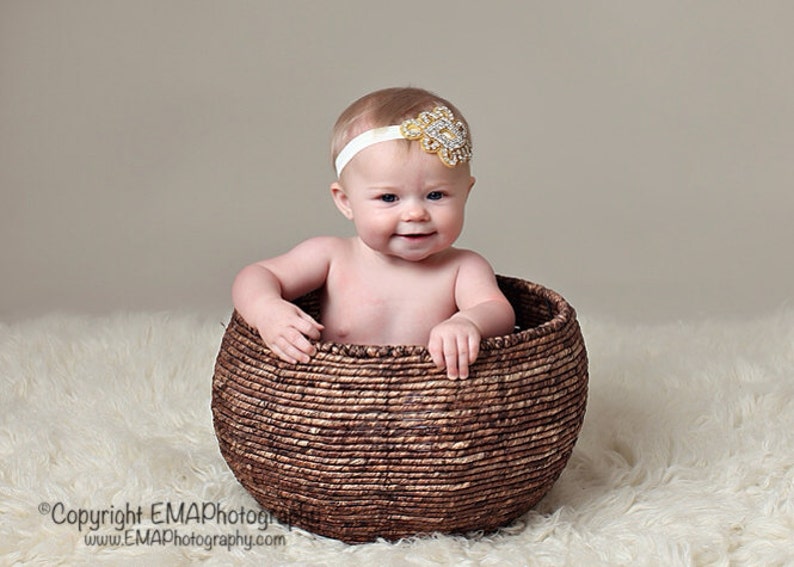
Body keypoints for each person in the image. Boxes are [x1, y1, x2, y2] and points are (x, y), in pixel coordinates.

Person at [232, 87, 515, 379]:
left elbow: (497, 310)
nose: (415, 214)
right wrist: (267, 310)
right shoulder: (331, 256)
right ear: (346, 202)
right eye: (389, 198)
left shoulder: (462, 267)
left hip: (430, 410)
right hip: (337, 401)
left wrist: (468, 323)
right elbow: (256, 275)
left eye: (436, 195)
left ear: (465, 193)